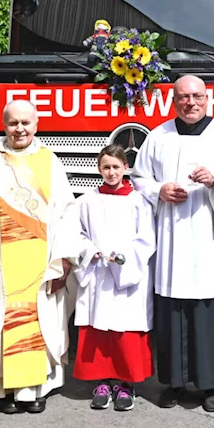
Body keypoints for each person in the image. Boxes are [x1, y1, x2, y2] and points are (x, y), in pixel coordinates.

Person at [132, 75, 214, 413]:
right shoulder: (158, 136)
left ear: (207, 99)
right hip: (172, 239)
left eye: (197, 96)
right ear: (173, 100)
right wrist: (159, 191)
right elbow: (139, 179)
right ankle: (174, 382)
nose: (190, 103)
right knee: (172, 313)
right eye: (183, 97)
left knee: (210, 313)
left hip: (209, 240)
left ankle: (212, 385)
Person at [0, 100, 76, 414]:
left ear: (36, 125)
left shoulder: (50, 161)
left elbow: (66, 213)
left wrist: (63, 259)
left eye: (25, 123)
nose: (19, 129)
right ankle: (2, 388)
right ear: (4, 126)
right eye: (13, 123)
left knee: (38, 320)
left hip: (40, 258)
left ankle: (31, 390)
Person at [73, 144, 156, 412]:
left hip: (128, 275)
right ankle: (101, 382)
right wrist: (91, 251)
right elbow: (77, 234)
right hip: (97, 272)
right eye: (106, 167)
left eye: (116, 167)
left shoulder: (139, 202)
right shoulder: (86, 201)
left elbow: (146, 239)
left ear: (125, 168)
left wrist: (122, 259)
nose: (111, 172)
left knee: (125, 328)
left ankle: (125, 384)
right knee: (98, 327)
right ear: (99, 169)